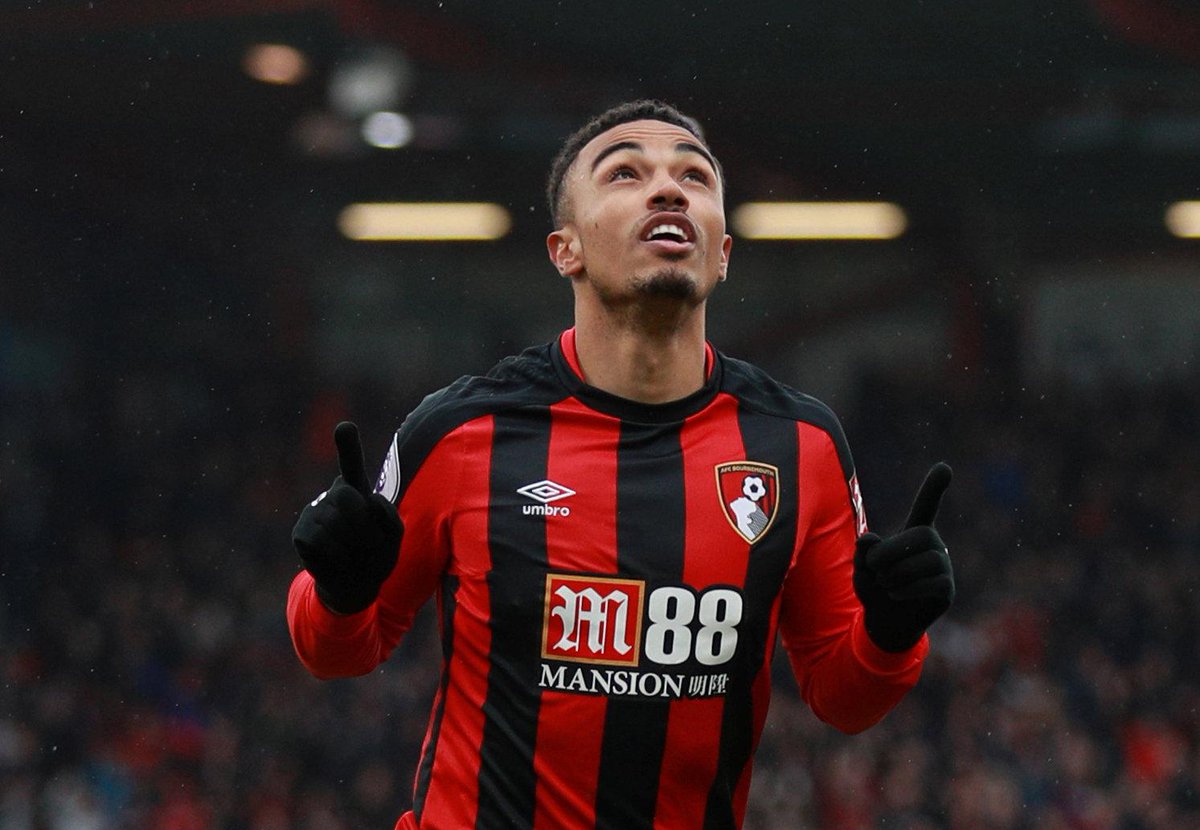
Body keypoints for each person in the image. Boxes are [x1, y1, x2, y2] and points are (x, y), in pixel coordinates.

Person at [287, 99, 955, 830]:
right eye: (626, 173)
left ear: (722, 254)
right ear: (565, 249)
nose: (669, 189)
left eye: (695, 177)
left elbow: (843, 697)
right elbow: (337, 653)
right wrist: (338, 590)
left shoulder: (800, 446)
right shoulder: (461, 432)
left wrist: (892, 634)